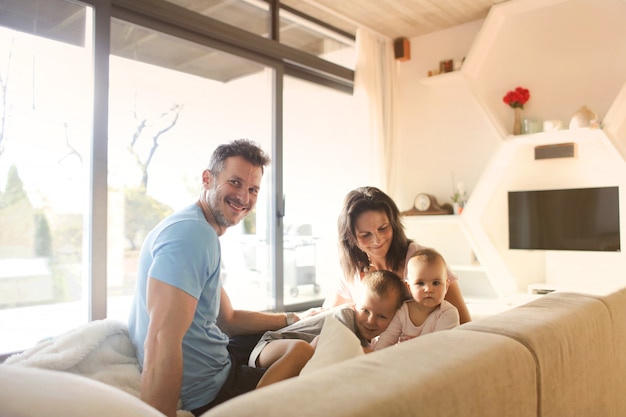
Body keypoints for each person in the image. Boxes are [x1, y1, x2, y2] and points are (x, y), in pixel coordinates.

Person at [128, 139, 302, 417]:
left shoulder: (197, 229)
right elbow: (162, 339)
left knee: (299, 343)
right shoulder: (193, 236)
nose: (244, 198)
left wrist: (294, 318)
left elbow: (227, 319)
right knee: (305, 354)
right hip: (209, 391)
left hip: (219, 358)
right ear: (207, 179)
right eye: (234, 183)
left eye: (252, 189)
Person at [323, 186, 472, 324]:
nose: (377, 240)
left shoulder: (425, 261)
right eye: (365, 234)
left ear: (393, 224)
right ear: (351, 238)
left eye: (383, 228)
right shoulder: (353, 270)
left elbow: (464, 323)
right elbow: (330, 315)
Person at [250, 269, 407, 388]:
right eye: (364, 310)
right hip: (269, 347)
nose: (370, 321)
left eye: (382, 317)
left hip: (300, 359)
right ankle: (257, 404)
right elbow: (342, 348)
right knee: (304, 349)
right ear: (355, 304)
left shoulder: (368, 342)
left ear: (393, 318)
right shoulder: (345, 314)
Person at [372, 248, 460, 350]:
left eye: (436, 283)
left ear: (446, 286)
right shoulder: (402, 311)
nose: (428, 289)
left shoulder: (447, 313)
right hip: (402, 359)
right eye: (420, 283)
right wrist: (374, 357)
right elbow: (387, 339)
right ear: (409, 287)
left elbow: (440, 348)